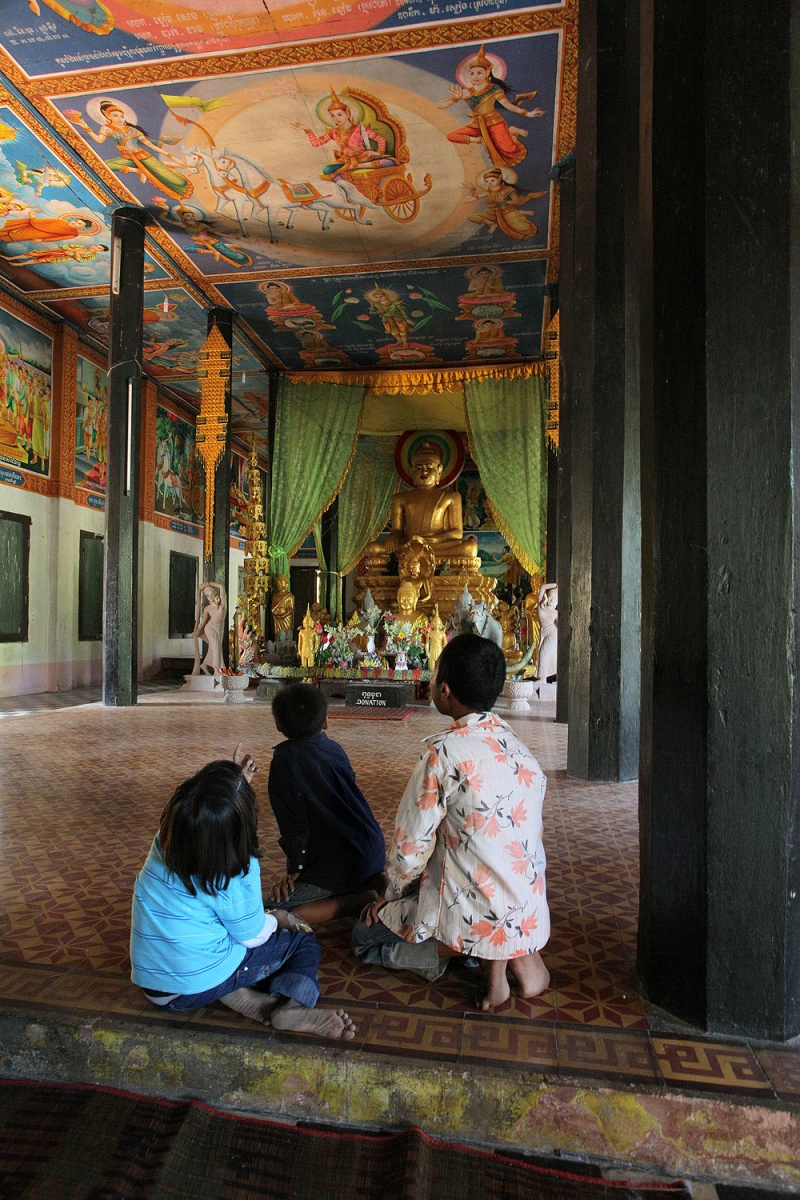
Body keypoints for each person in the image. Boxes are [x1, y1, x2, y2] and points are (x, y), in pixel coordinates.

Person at [352, 635, 550, 1012]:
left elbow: (410, 849)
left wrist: (390, 897)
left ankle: (470, 948)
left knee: (365, 936)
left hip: (471, 905)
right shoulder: (518, 748)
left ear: (445, 690)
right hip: (526, 904)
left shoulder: (442, 754)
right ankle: (510, 954)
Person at [130, 744, 355, 1039]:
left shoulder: (170, 838)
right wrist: (279, 918)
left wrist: (237, 781)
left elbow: (209, 816)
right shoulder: (237, 870)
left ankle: (236, 993)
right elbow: (252, 934)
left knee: (205, 929)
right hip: (193, 982)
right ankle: (291, 1003)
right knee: (302, 942)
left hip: (154, 984)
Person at [267, 683, 386, 926]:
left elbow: (293, 823)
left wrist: (296, 871)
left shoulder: (284, 762)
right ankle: (373, 882)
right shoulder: (334, 749)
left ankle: (352, 904)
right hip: (371, 846)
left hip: (336, 862)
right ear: (325, 722)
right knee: (346, 873)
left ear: (278, 725)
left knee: (269, 912)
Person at [192, 580, 226, 675]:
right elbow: (203, 623)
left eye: (211, 594)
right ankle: (216, 671)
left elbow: (221, 586)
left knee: (215, 647)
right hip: (210, 628)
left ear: (215, 594)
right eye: (207, 596)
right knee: (216, 647)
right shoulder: (207, 608)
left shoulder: (222, 604)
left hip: (219, 629)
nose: (210, 597)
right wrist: (198, 630)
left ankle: (205, 665)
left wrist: (207, 584)